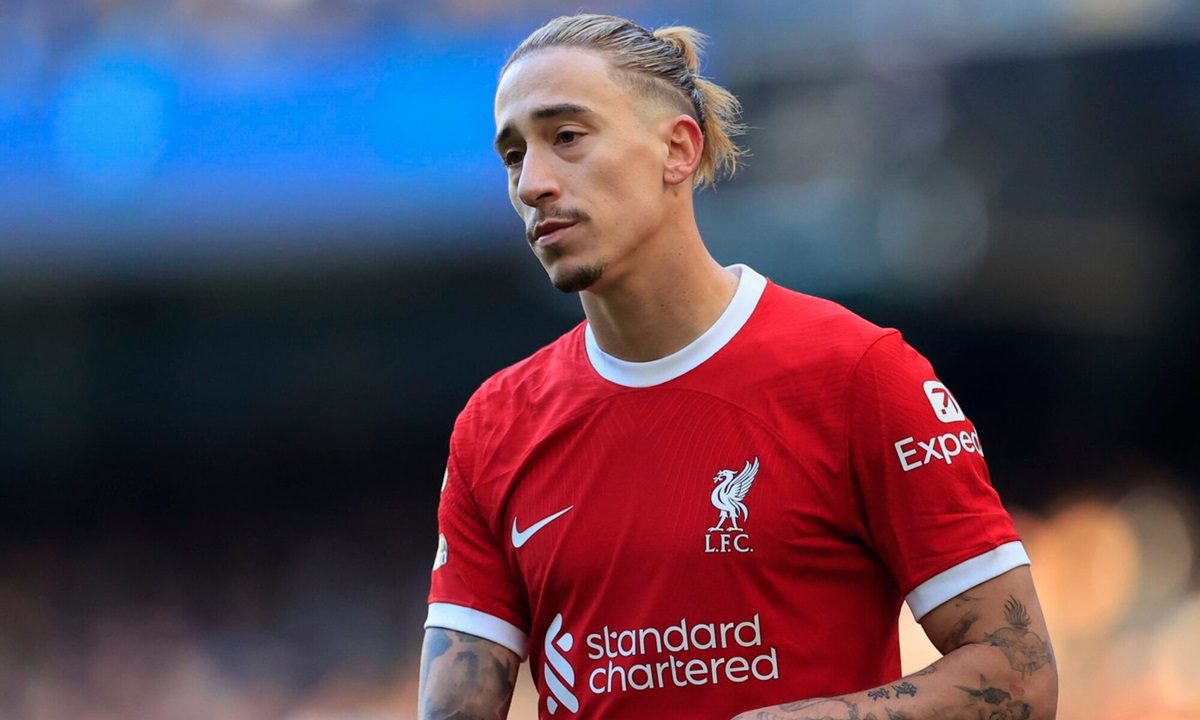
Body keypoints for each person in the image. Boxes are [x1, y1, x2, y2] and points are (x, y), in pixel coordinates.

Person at [418, 13, 1056, 720]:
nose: (532, 183)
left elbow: (1020, 675)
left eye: (566, 137)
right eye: (514, 155)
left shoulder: (857, 374)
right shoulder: (493, 428)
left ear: (677, 150)